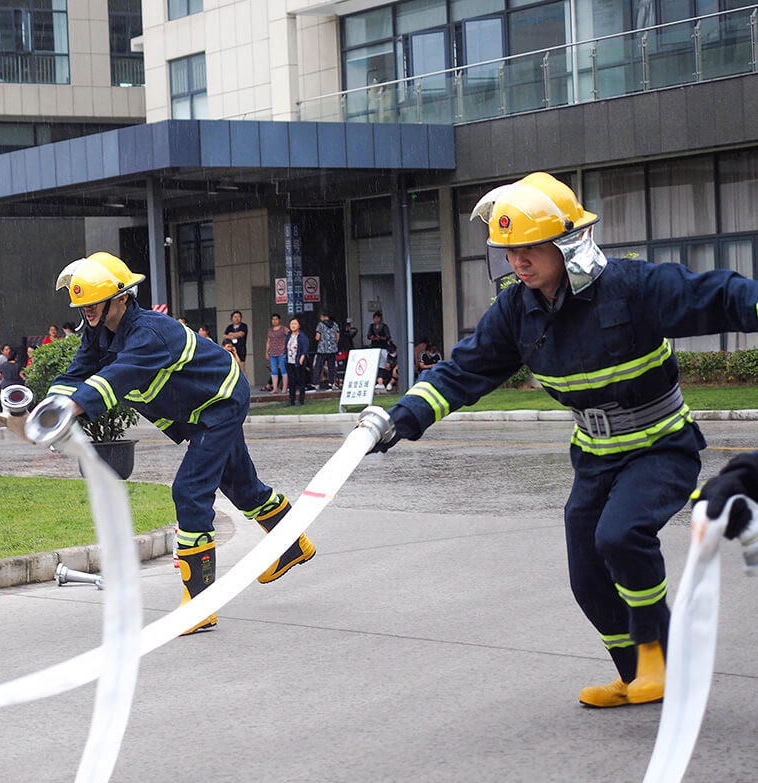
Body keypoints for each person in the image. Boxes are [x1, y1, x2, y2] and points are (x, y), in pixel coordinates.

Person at [369, 171, 758, 709]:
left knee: (620, 537)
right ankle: (636, 674)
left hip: (660, 444)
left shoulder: (632, 287)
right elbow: (463, 372)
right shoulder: (515, 310)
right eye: (507, 252)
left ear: (567, 242)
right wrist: (399, 419)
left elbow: (718, 296)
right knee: (587, 574)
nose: (517, 263)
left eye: (529, 249)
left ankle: (664, 658)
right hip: (594, 457)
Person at [44, 252, 311, 634]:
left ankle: (201, 606)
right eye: (82, 305)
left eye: (93, 304)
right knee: (243, 488)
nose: (86, 312)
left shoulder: (149, 333)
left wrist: (70, 408)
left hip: (217, 405)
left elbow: (117, 377)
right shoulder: (99, 331)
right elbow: (78, 373)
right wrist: (51, 405)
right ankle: (292, 544)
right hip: (199, 411)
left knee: (189, 492)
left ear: (121, 298)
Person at [285, 316, 310, 407]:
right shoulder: (289, 335)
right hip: (289, 361)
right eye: (291, 324)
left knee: (301, 381)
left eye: (295, 324)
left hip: (298, 361)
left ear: (299, 325)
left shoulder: (302, 336)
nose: (293, 326)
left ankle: (301, 400)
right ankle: (291, 400)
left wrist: (302, 358)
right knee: (291, 382)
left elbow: (305, 348)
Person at [313, 311, 340, 390]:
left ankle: (316, 383)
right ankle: (331, 383)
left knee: (318, 366)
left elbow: (317, 337)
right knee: (332, 367)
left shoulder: (320, 325)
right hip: (333, 349)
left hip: (322, 349)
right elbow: (337, 338)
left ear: (324, 316)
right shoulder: (335, 325)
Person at [265, 313, 289, 394]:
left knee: (283, 370)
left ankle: (284, 388)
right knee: (274, 371)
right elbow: (268, 341)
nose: (274, 321)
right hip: (272, 353)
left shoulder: (283, 329)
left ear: (279, 320)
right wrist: (267, 352)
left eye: (276, 319)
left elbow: (290, 336)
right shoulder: (270, 330)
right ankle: (274, 388)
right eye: (273, 319)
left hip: (282, 353)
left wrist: (285, 346)